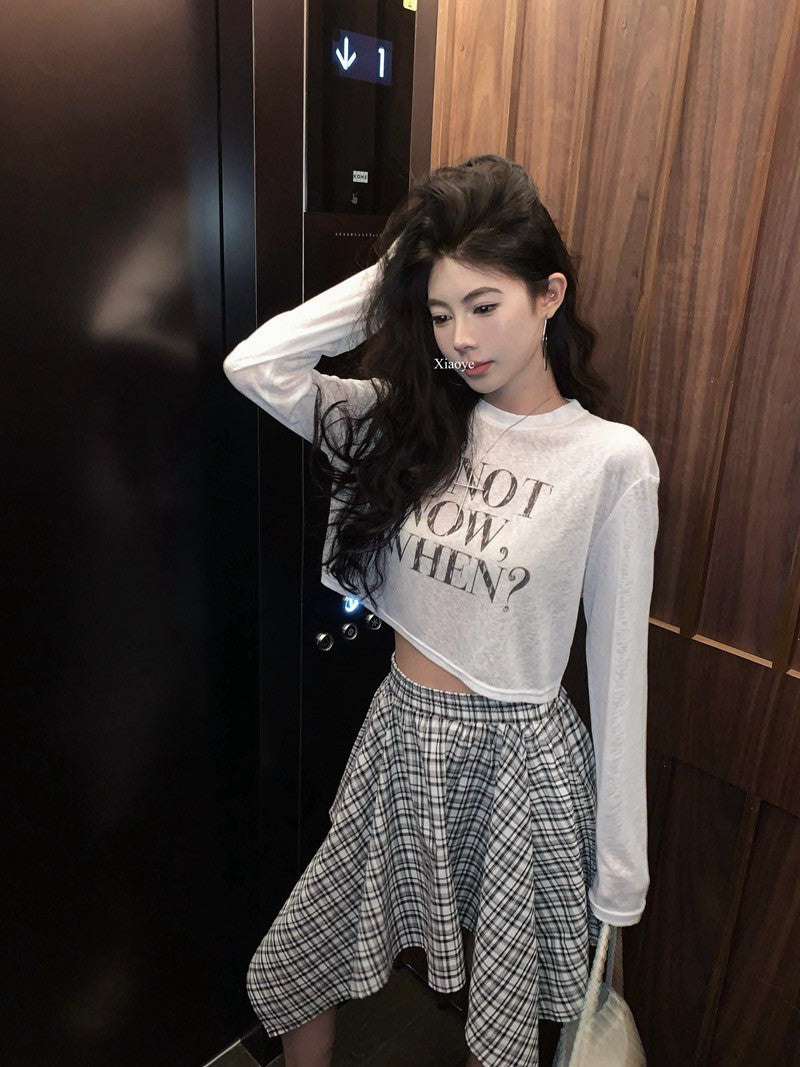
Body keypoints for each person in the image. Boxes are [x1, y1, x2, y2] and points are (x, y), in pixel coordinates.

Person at [223, 154, 660, 1067]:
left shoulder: (609, 461)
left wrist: (622, 877)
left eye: (484, 304)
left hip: (519, 759)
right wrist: (402, 267)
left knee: (500, 1020)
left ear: (549, 295)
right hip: (400, 733)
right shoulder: (409, 421)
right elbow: (256, 364)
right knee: (302, 960)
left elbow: (621, 672)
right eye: (439, 313)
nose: (461, 338)